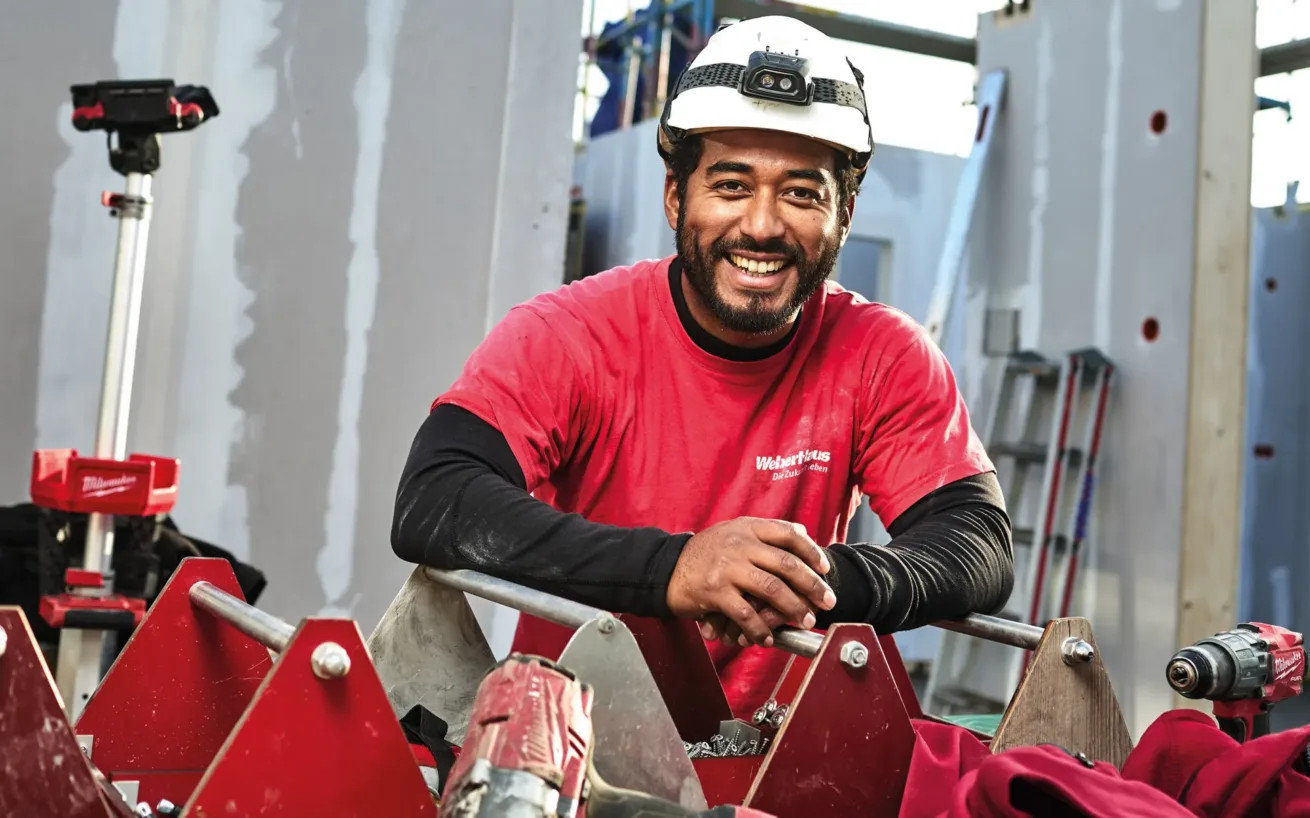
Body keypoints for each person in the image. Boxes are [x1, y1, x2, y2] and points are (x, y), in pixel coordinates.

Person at [391, 15, 1014, 718]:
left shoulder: (881, 354)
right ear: (674, 196)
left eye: (802, 193)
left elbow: (978, 545)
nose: (762, 226)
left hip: (782, 763)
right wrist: (674, 569)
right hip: (575, 741)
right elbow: (436, 498)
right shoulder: (568, 335)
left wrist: (813, 580)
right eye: (731, 185)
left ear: (845, 214)